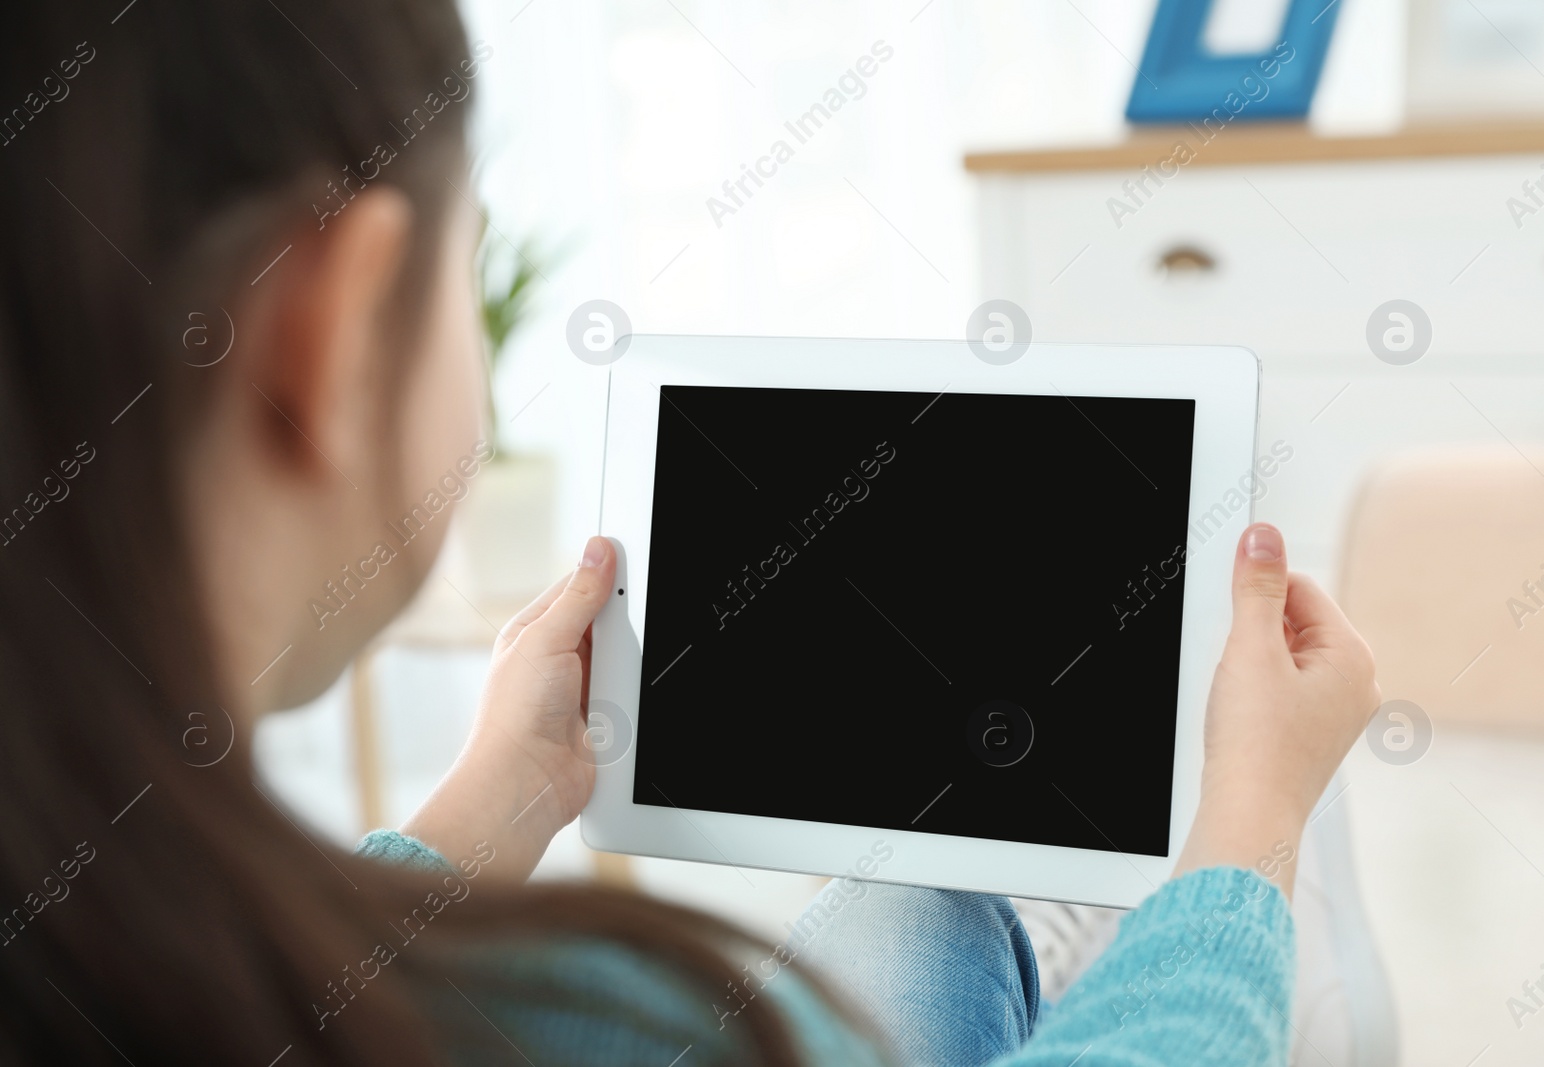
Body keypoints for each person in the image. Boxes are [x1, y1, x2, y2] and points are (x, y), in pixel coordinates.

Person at [0, 3, 1380, 1064]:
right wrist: (1246, 834)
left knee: (928, 900)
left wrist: (493, 802)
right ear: (337, 337)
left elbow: (284, 992)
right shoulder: (588, 1016)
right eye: (465, 266)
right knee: (1200, 869)